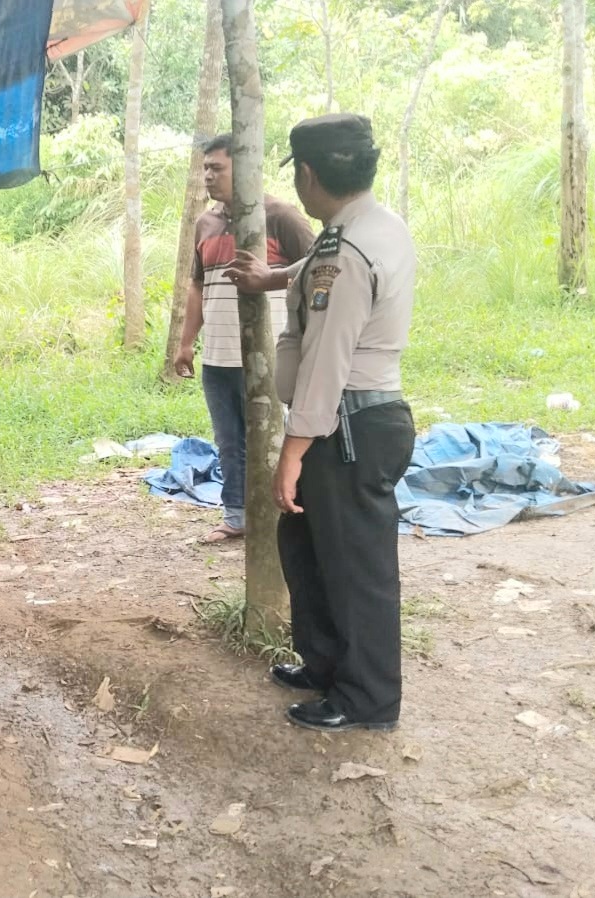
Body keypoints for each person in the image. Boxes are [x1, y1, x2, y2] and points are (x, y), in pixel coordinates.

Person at [225, 114, 417, 732]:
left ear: (307, 175)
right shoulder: (367, 228)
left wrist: (292, 451)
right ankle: (326, 665)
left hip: (346, 426)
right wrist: (272, 277)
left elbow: (328, 361)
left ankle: (367, 701)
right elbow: (315, 274)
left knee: (356, 567)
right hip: (347, 423)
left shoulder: (347, 249)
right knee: (308, 549)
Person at [173, 133, 316, 544]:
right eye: (205, 168)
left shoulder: (282, 217)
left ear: (246, 170)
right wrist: (187, 343)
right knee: (229, 440)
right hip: (218, 358)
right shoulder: (206, 223)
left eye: (217, 168)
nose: (208, 176)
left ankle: (289, 513)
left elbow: (315, 268)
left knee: (275, 437)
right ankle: (237, 517)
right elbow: (198, 286)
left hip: (269, 357)